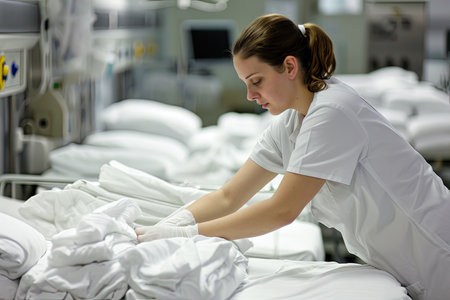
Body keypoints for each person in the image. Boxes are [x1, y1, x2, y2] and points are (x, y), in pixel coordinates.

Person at [135, 14, 450, 300]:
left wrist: (186, 235)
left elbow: (282, 210)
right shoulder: (290, 123)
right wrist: (169, 225)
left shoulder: (333, 112)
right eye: (246, 83)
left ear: (288, 67)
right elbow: (229, 195)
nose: (250, 95)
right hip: (401, 259)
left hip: (436, 251)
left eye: (256, 81)